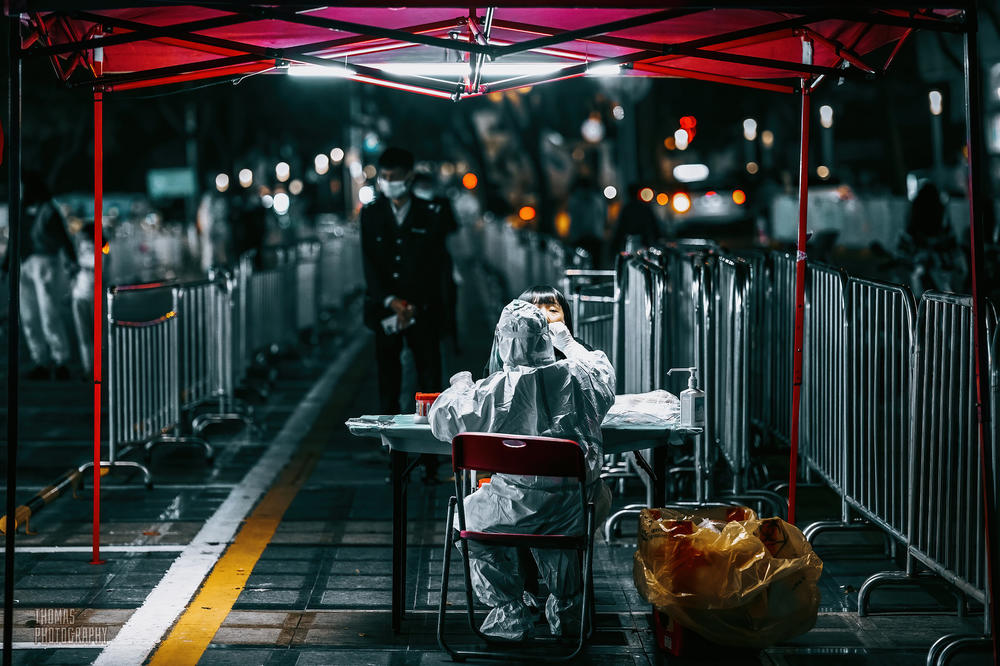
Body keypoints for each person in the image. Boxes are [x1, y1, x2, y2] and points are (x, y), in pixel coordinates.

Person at [429, 299, 616, 641]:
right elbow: (603, 372)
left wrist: (460, 385)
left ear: (503, 341)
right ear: (546, 339)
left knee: (464, 520)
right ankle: (567, 611)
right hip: (577, 507)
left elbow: (444, 420)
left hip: (514, 508)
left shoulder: (496, 390)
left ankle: (509, 610)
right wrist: (568, 342)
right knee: (558, 540)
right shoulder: (580, 376)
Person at [361, 147, 448, 415]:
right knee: (388, 380)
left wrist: (414, 304)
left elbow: (436, 266)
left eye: (394, 176)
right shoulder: (371, 214)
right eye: (384, 176)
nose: (388, 182)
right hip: (385, 309)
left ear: (409, 177)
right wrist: (391, 301)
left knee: (429, 381)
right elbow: (370, 265)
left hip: (422, 310)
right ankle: (392, 450)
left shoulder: (430, 213)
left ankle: (428, 450)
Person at [2, 172, 76, 380]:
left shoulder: (48, 209)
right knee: (29, 316)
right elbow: (13, 241)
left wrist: (72, 262)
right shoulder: (19, 210)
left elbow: (63, 237)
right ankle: (41, 360)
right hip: (25, 264)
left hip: (45, 263)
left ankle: (60, 359)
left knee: (49, 313)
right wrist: (7, 265)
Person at [611, 183, 660, 254]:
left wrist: (615, 245)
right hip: (644, 242)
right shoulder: (644, 208)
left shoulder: (627, 209)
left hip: (630, 242)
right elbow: (654, 226)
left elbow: (620, 228)